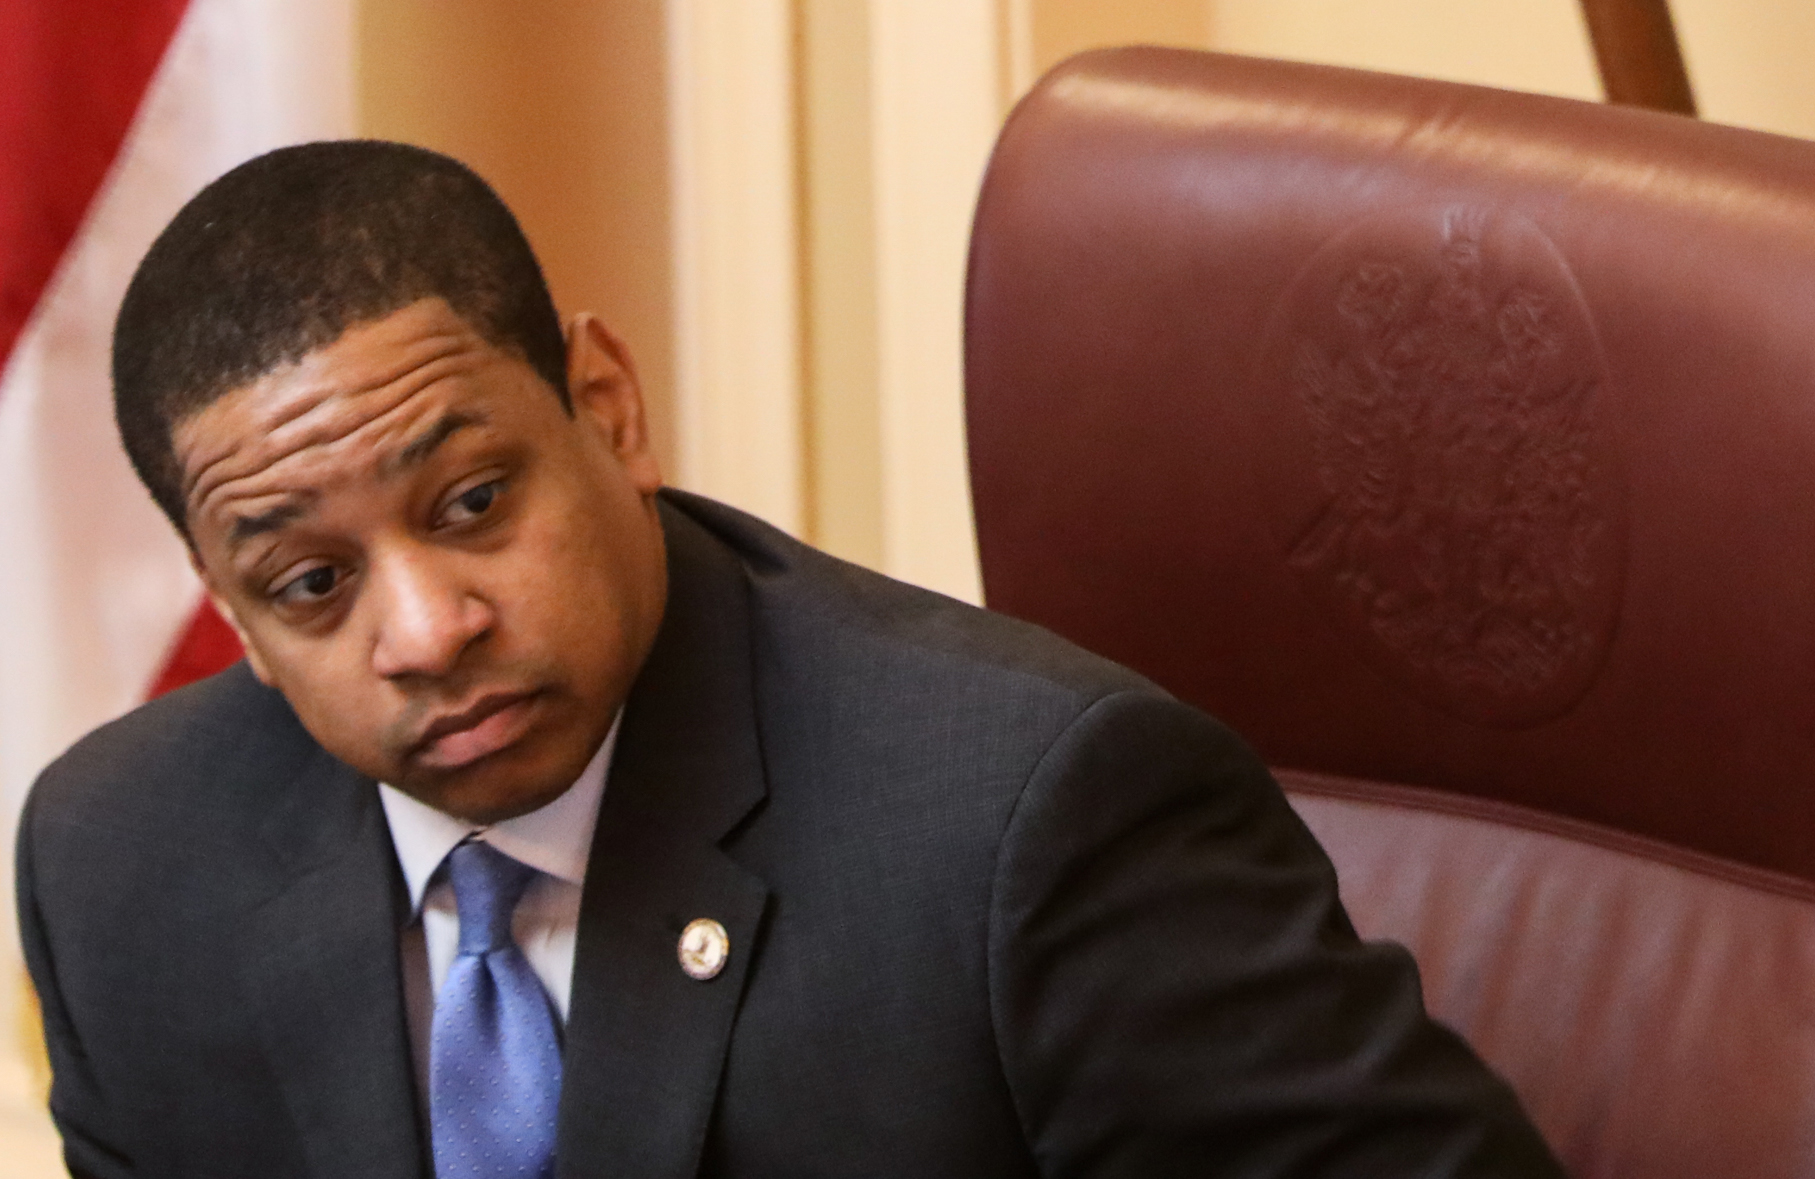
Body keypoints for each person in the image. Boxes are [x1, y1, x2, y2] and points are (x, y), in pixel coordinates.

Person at [16, 140, 1563, 1179]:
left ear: (608, 409)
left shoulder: (1026, 825)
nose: (427, 633)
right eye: (311, 583)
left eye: (473, 502)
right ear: (232, 613)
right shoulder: (124, 867)